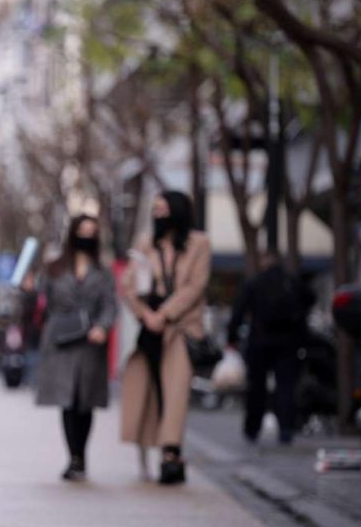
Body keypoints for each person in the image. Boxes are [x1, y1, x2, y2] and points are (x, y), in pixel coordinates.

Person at [120, 191, 210, 485]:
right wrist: (146, 315)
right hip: (151, 328)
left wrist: (166, 314)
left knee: (176, 392)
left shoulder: (199, 243)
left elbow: (195, 287)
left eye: (163, 208)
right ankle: (158, 448)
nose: (158, 214)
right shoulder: (146, 243)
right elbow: (129, 285)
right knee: (152, 390)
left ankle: (171, 453)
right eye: (155, 209)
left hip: (181, 328)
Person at [34, 214, 117, 481]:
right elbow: (39, 297)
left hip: (90, 342)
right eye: (83, 230)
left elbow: (109, 305)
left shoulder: (103, 272)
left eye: (92, 231)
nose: (87, 235)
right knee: (67, 400)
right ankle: (74, 458)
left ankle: (81, 455)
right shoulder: (55, 267)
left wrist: (102, 327)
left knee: (85, 402)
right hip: (61, 341)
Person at [227, 252, 314, 445]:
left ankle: (252, 428)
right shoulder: (290, 282)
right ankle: (286, 428)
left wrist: (232, 337)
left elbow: (239, 310)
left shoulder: (254, 283)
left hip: (259, 342)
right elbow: (309, 299)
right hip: (288, 343)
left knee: (256, 388)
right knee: (286, 388)